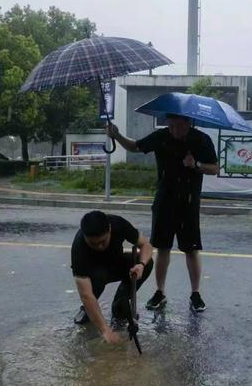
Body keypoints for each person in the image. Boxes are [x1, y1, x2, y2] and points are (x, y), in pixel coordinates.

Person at [107, 114, 219, 312]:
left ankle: (195, 293)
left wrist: (196, 166)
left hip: (189, 202)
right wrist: (117, 136)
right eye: (171, 126)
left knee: (191, 249)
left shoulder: (201, 140)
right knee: (163, 247)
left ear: (189, 123)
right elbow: (135, 146)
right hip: (164, 201)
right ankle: (160, 292)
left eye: (180, 126)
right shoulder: (160, 137)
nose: (175, 130)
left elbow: (215, 168)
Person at [71, 210, 153, 345]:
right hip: (95, 274)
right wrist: (105, 330)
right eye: (93, 244)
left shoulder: (118, 224)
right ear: (85, 237)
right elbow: (86, 294)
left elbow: (146, 245)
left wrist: (141, 265)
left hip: (116, 264)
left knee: (148, 262)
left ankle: (121, 301)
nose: (99, 246)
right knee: (96, 281)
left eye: (103, 241)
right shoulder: (79, 247)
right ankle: (87, 310)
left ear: (109, 229)